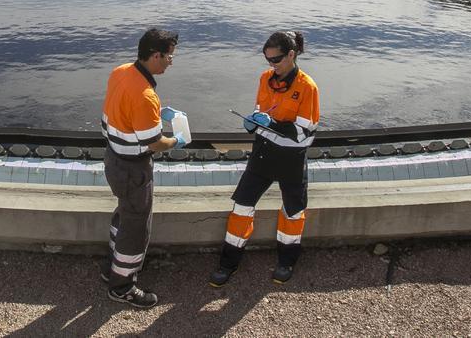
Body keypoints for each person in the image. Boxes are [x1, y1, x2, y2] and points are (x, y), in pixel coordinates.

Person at [209, 30, 319, 287]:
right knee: (241, 207)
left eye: (276, 60)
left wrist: (273, 124)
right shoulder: (264, 79)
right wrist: (253, 124)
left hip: (292, 159)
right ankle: (228, 263)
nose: (271, 65)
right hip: (263, 155)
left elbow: (305, 134)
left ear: (291, 55)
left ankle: (287, 261)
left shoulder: (307, 87)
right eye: (268, 60)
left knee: (293, 212)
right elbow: (261, 112)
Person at [101, 28, 188, 309]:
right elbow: (154, 142)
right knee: (137, 228)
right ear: (155, 55)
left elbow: (123, 110)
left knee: (124, 215)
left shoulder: (121, 71)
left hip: (113, 159)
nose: (171, 62)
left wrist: (152, 115)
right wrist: (177, 141)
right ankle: (122, 286)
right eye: (169, 57)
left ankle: (112, 267)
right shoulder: (146, 96)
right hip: (134, 170)